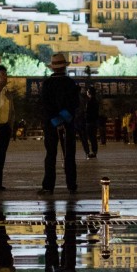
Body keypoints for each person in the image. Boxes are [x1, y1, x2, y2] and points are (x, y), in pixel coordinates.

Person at [39, 53, 80, 194]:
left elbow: (45, 105)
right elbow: (74, 104)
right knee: (69, 154)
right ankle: (71, 184)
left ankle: (48, 186)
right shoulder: (70, 83)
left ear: (53, 68)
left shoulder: (47, 84)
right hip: (68, 124)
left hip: (51, 125)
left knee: (51, 154)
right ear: (64, 67)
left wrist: (55, 119)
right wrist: (64, 117)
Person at [79, 86, 100, 158]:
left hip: (89, 121)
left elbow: (88, 112)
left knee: (90, 137)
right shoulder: (95, 101)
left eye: (87, 91)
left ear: (90, 93)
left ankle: (92, 152)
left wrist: (84, 114)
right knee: (93, 137)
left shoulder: (90, 102)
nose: (86, 92)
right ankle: (94, 151)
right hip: (94, 121)